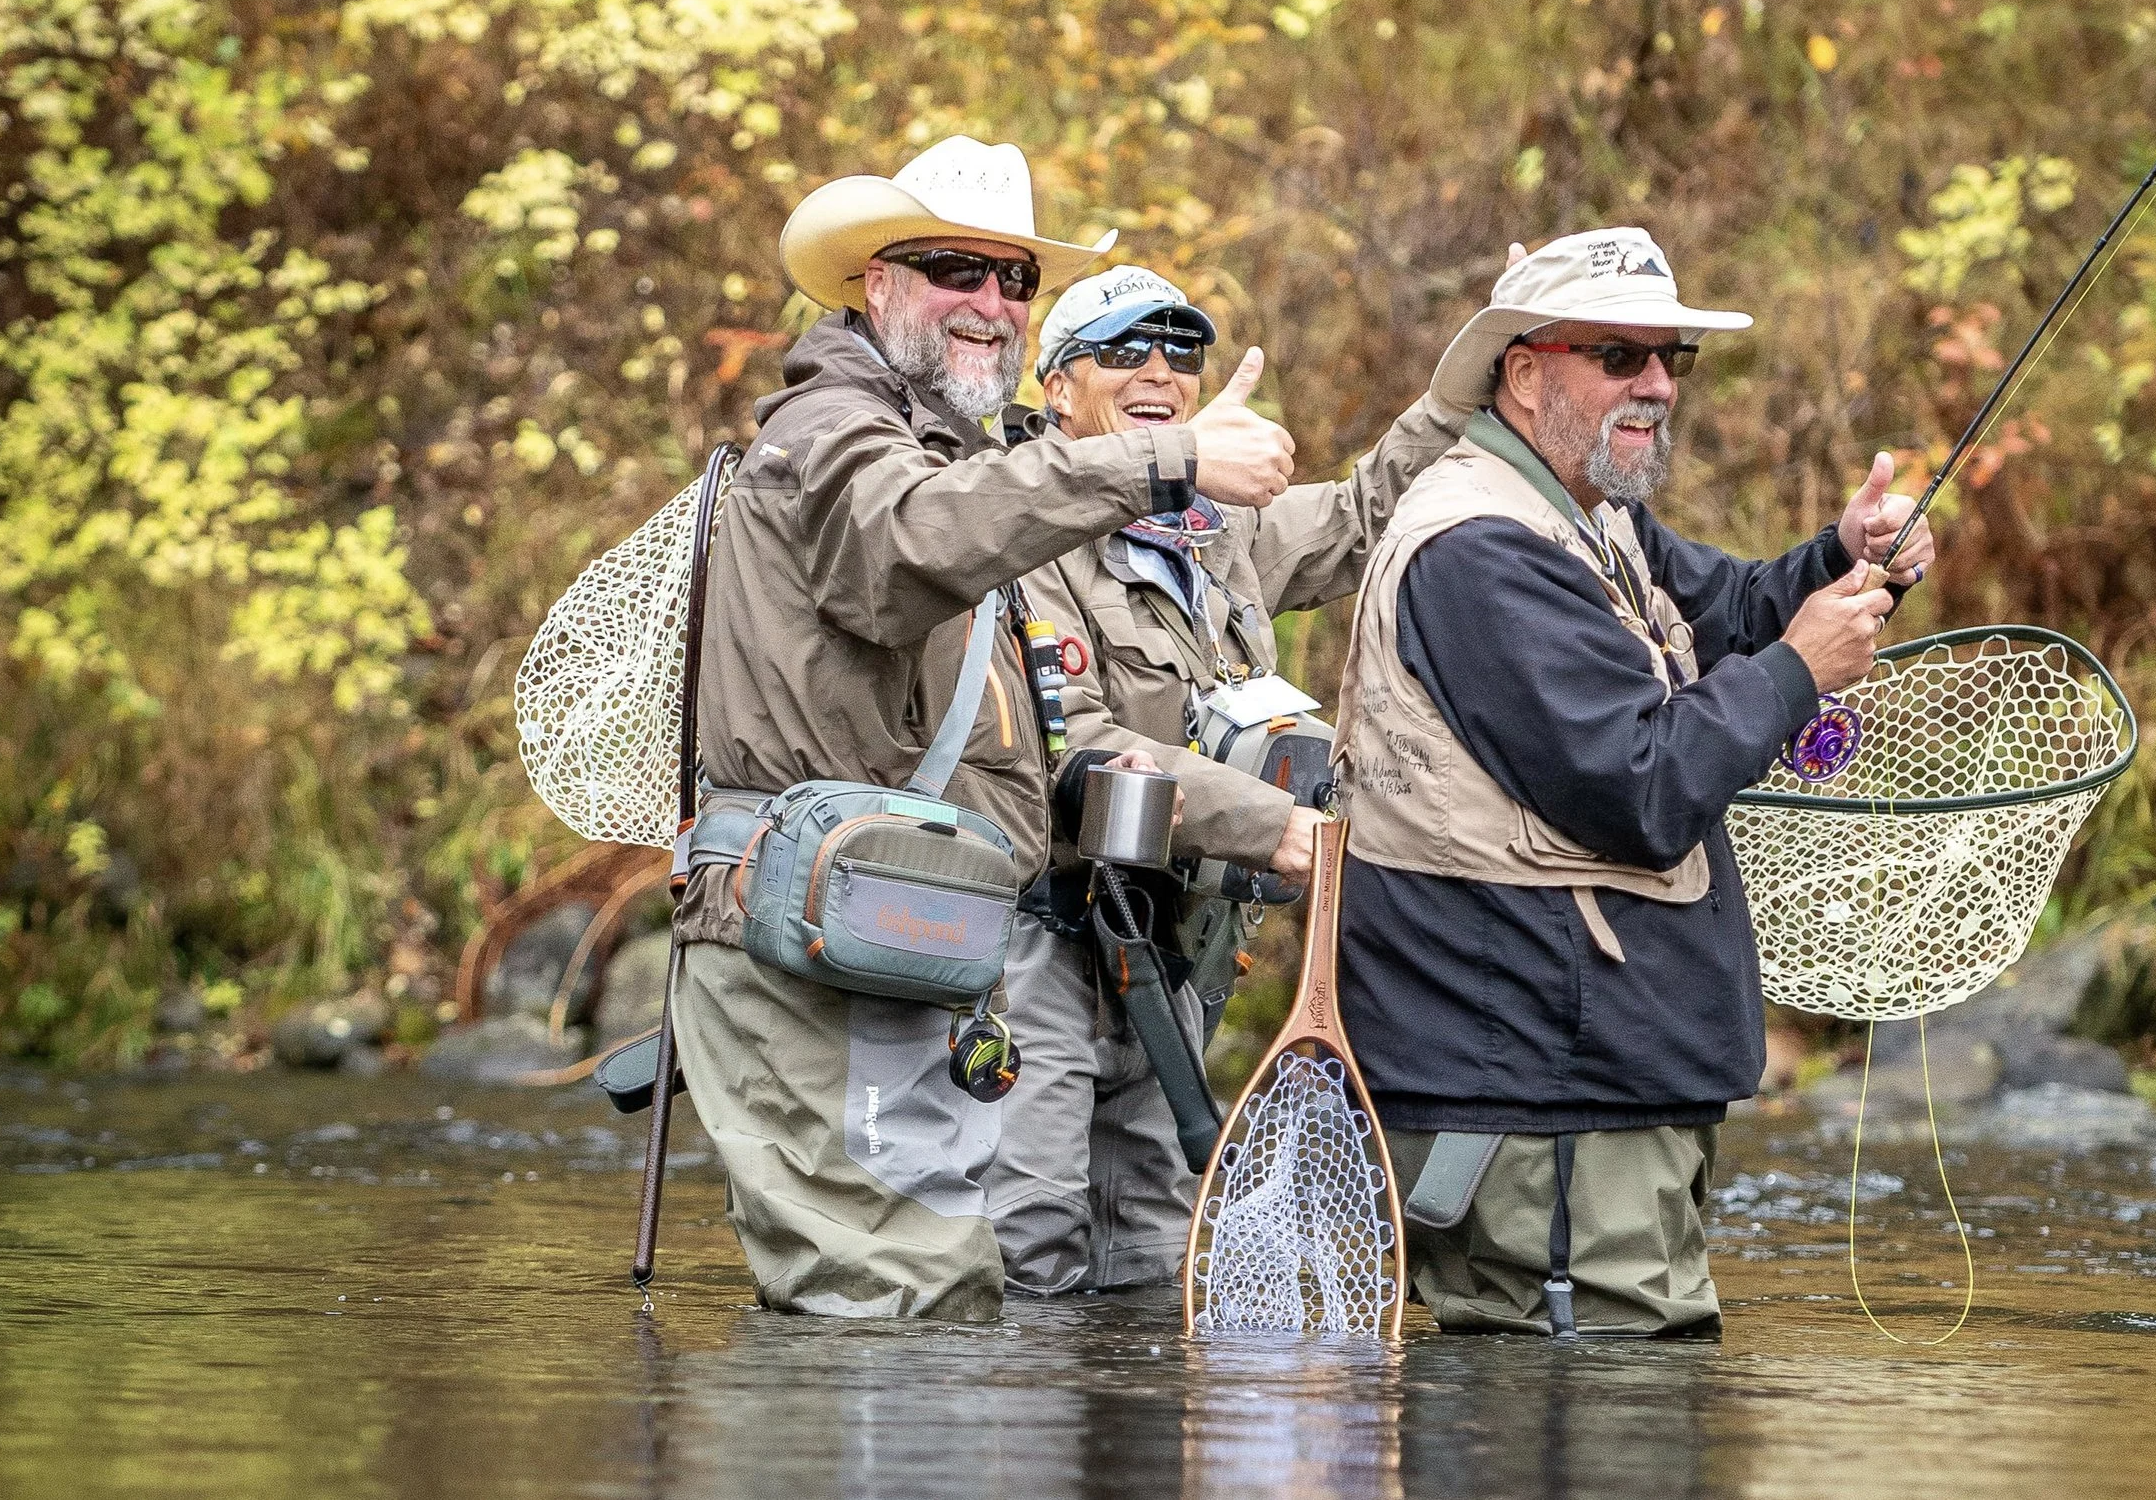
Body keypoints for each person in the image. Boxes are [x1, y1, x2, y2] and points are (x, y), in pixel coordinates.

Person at [667, 137, 1295, 1320]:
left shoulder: (954, 452)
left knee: (946, 1304)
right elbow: (904, 548)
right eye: (956, 269)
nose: (991, 302)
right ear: (876, 283)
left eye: (1015, 279)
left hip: (910, 945)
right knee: (898, 1309)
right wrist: (1161, 457)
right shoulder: (830, 424)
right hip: (815, 943)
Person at [1330, 227, 1937, 1337]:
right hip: (1534, 1097)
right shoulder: (1481, 552)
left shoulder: (1587, 511)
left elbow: (1726, 612)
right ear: (1525, 373)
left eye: (1671, 357)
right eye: (1618, 355)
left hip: (1582, 1086)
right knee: (1605, 1395)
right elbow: (1640, 784)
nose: (1656, 383)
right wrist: (1800, 667)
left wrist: (1841, 557)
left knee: (1630, 1393)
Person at [985, 264, 1480, 1295]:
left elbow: (1368, 512)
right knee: (1028, 1246)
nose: (1159, 368)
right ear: (1057, 387)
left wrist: (1467, 380)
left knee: (1151, 1260)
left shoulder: (1221, 528)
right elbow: (1073, 744)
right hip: (1042, 938)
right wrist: (1272, 824)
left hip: (1173, 952)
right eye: (1123, 350)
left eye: (1181, 350)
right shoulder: (1019, 527)